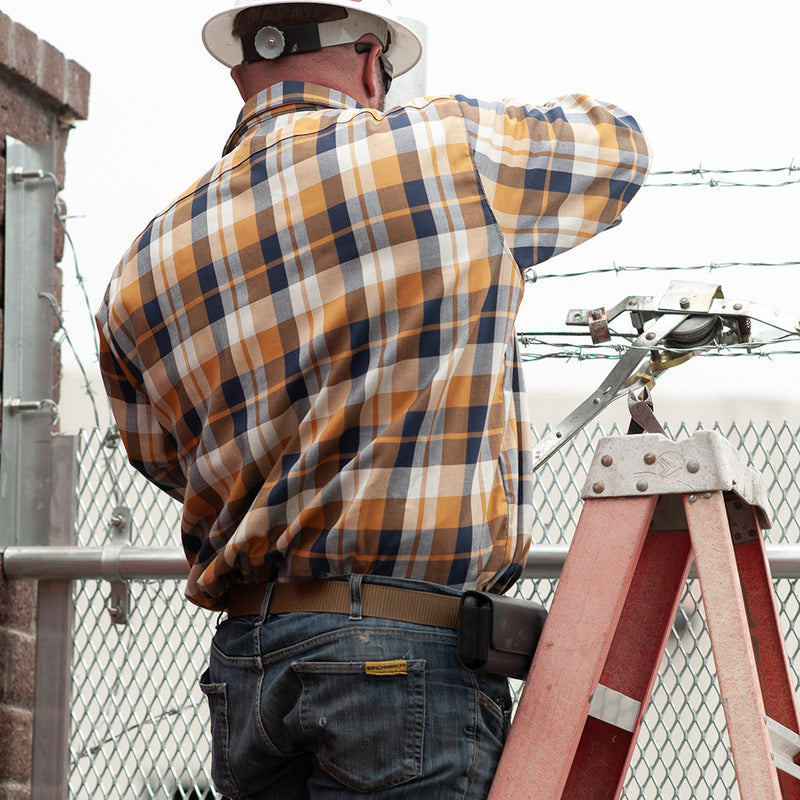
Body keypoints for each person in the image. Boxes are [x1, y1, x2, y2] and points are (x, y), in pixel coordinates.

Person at [96, 1, 651, 797]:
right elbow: (616, 145)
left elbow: (164, 461)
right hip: (403, 656)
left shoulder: (145, 258)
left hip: (249, 663)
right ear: (368, 59)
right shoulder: (442, 149)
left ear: (237, 73)